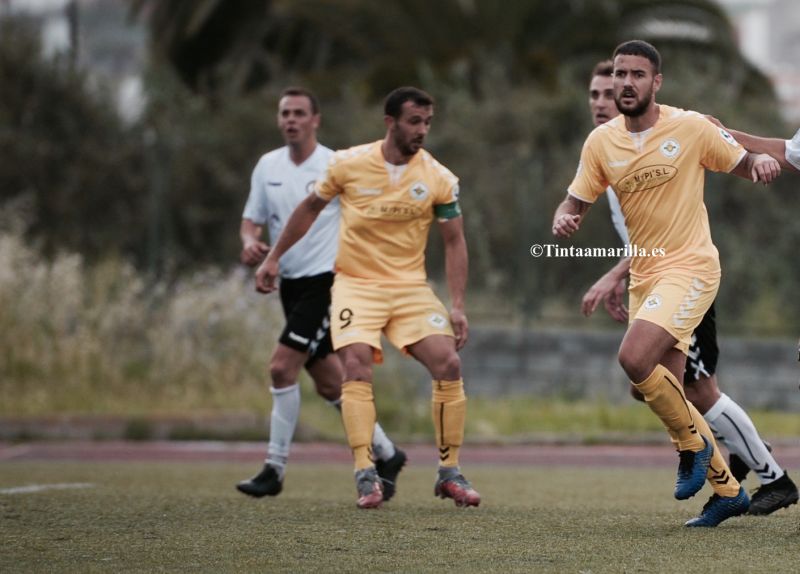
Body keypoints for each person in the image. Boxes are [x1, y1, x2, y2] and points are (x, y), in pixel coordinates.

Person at [553, 40, 782, 527]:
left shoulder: (691, 127)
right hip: (648, 274)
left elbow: (742, 161)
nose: (626, 83)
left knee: (634, 359)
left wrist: (759, 162)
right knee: (665, 388)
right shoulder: (601, 143)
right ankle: (728, 490)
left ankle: (695, 448)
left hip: (691, 267)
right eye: (620, 74)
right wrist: (564, 217)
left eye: (637, 74)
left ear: (656, 82)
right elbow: (575, 200)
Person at [255, 86, 480, 510]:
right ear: (390, 122)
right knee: (355, 363)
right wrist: (273, 258)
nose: (422, 131)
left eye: (428, 122)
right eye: (415, 122)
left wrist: (458, 304)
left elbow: (454, 242)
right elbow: (307, 209)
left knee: (448, 362)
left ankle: (450, 472)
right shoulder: (347, 164)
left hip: (410, 288)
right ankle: (366, 472)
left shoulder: (439, 178)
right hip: (356, 285)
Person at [236, 87, 406, 500]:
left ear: (315, 120)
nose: (290, 120)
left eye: (298, 113)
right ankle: (386, 452)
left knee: (281, 368)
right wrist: (250, 244)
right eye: (284, 113)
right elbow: (251, 220)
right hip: (290, 285)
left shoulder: (336, 165)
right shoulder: (267, 165)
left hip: (328, 283)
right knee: (330, 383)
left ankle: (274, 468)